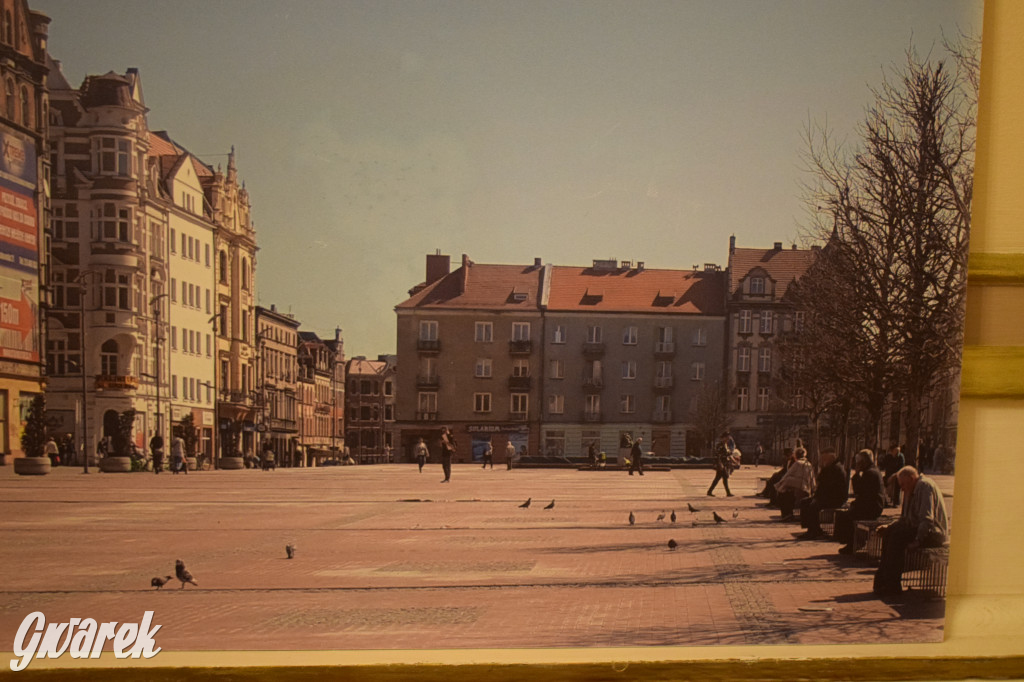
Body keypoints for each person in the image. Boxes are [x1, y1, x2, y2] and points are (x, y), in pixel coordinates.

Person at [873, 466, 949, 596]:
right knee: (890, 533)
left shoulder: (925, 487)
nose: (902, 488)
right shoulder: (910, 490)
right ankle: (883, 580)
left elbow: (926, 519)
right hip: (919, 528)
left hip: (933, 533)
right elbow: (905, 519)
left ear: (912, 479)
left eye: (903, 484)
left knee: (897, 538)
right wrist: (889, 526)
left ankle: (892, 584)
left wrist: (918, 541)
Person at [835, 449, 886, 554]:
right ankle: (853, 542)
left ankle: (853, 543)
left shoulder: (869, 473)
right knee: (847, 513)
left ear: (863, 462)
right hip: (873, 505)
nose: (856, 464)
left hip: (871, 507)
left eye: (858, 462)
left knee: (846, 516)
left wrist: (856, 474)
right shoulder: (873, 470)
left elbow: (859, 491)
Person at [798, 449, 848, 539]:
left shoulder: (835, 469)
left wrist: (817, 498)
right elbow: (822, 486)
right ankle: (812, 529)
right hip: (827, 496)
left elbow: (828, 488)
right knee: (804, 502)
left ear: (831, 458)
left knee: (813, 506)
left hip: (835, 498)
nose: (822, 461)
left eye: (824, 459)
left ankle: (814, 531)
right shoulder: (829, 468)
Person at [775, 447, 815, 520]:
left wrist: (779, 485)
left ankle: (787, 514)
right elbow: (812, 479)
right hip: (806, 491)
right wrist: (812, 489)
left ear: (796, 456)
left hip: (798, 492)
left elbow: (787, 474)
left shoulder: (797, 463)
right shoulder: (809, 464)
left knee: (783, 494)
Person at [707, 432, 735, 497]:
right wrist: (720, 464)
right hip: (721, 464)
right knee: (723, 478)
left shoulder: (725, 445)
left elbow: (727, 454)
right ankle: (728, 493)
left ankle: (710, 491)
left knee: (719, 478)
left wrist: (733, 460)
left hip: (724, 463)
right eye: (727, 437)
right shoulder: (720, 445)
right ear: (724, 438)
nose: (728, 439)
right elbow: (717, 455)